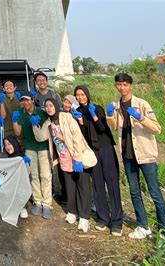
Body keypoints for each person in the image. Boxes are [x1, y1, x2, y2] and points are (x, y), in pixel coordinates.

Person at [106, 73, 165, 239]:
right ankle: (143, 226)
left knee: (155, 193)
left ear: (131, 86)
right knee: (134, 192)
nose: (122, 88)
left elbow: (157, 128)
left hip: (145, 155)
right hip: (128, 155)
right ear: (116, 86)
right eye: (119, 84)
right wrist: (109, 114)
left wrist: (141, 118)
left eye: (125, 84)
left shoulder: (142, 104)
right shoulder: (115, 104)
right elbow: (112, 127)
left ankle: (163, 231)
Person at [32, 98, 96, 232]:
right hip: (64, 160)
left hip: (77, 157)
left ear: (56, 106)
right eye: (46, 106)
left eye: (51, 105)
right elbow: (40, 137)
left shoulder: (66, 117)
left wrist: (77, 158)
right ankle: (72, 212)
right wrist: (35, 125)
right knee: (70, 187)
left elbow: (77, 137)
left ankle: (84, 217)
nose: (49, 108)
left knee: (83, 187)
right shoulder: (48, 123)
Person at [74, 85, 123, 236]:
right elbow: (83, 136)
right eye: (77, 95)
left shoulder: (97, 108)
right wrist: (81, 122)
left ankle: (116, 221)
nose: (80, 97)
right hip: (92, 151)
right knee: (98, 184)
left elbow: (102, 129)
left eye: (82, 94)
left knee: (112, 183)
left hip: (106, 148)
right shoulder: (78, 113)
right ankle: (102, 218)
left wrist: (94, 115)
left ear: (87, 95)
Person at [13, 95, 52, 219]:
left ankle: (47, 204)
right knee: (34, 175)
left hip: (43, 147)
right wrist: (14, 120)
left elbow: (49, 127)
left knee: (45, 175)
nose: (26, 102)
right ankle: (38, 201)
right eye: (23, 100)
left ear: (32, 100)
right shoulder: (20, 113)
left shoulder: (41, 112)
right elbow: (18, 133)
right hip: (29, 147)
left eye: (28, 100)